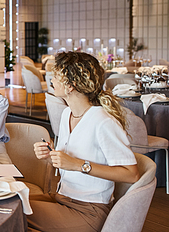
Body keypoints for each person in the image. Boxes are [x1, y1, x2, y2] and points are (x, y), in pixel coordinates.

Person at [28, 51, 139, 232]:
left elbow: (131, 174)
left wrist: (79, 164)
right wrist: (51, 155)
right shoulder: (67, 114)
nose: (52, 80)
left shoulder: (103, 121)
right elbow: (70, 162)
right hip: (63, 197)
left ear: (71, 85)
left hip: (89, 211)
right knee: (10, 200)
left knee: (12, 211)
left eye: (56, 76)